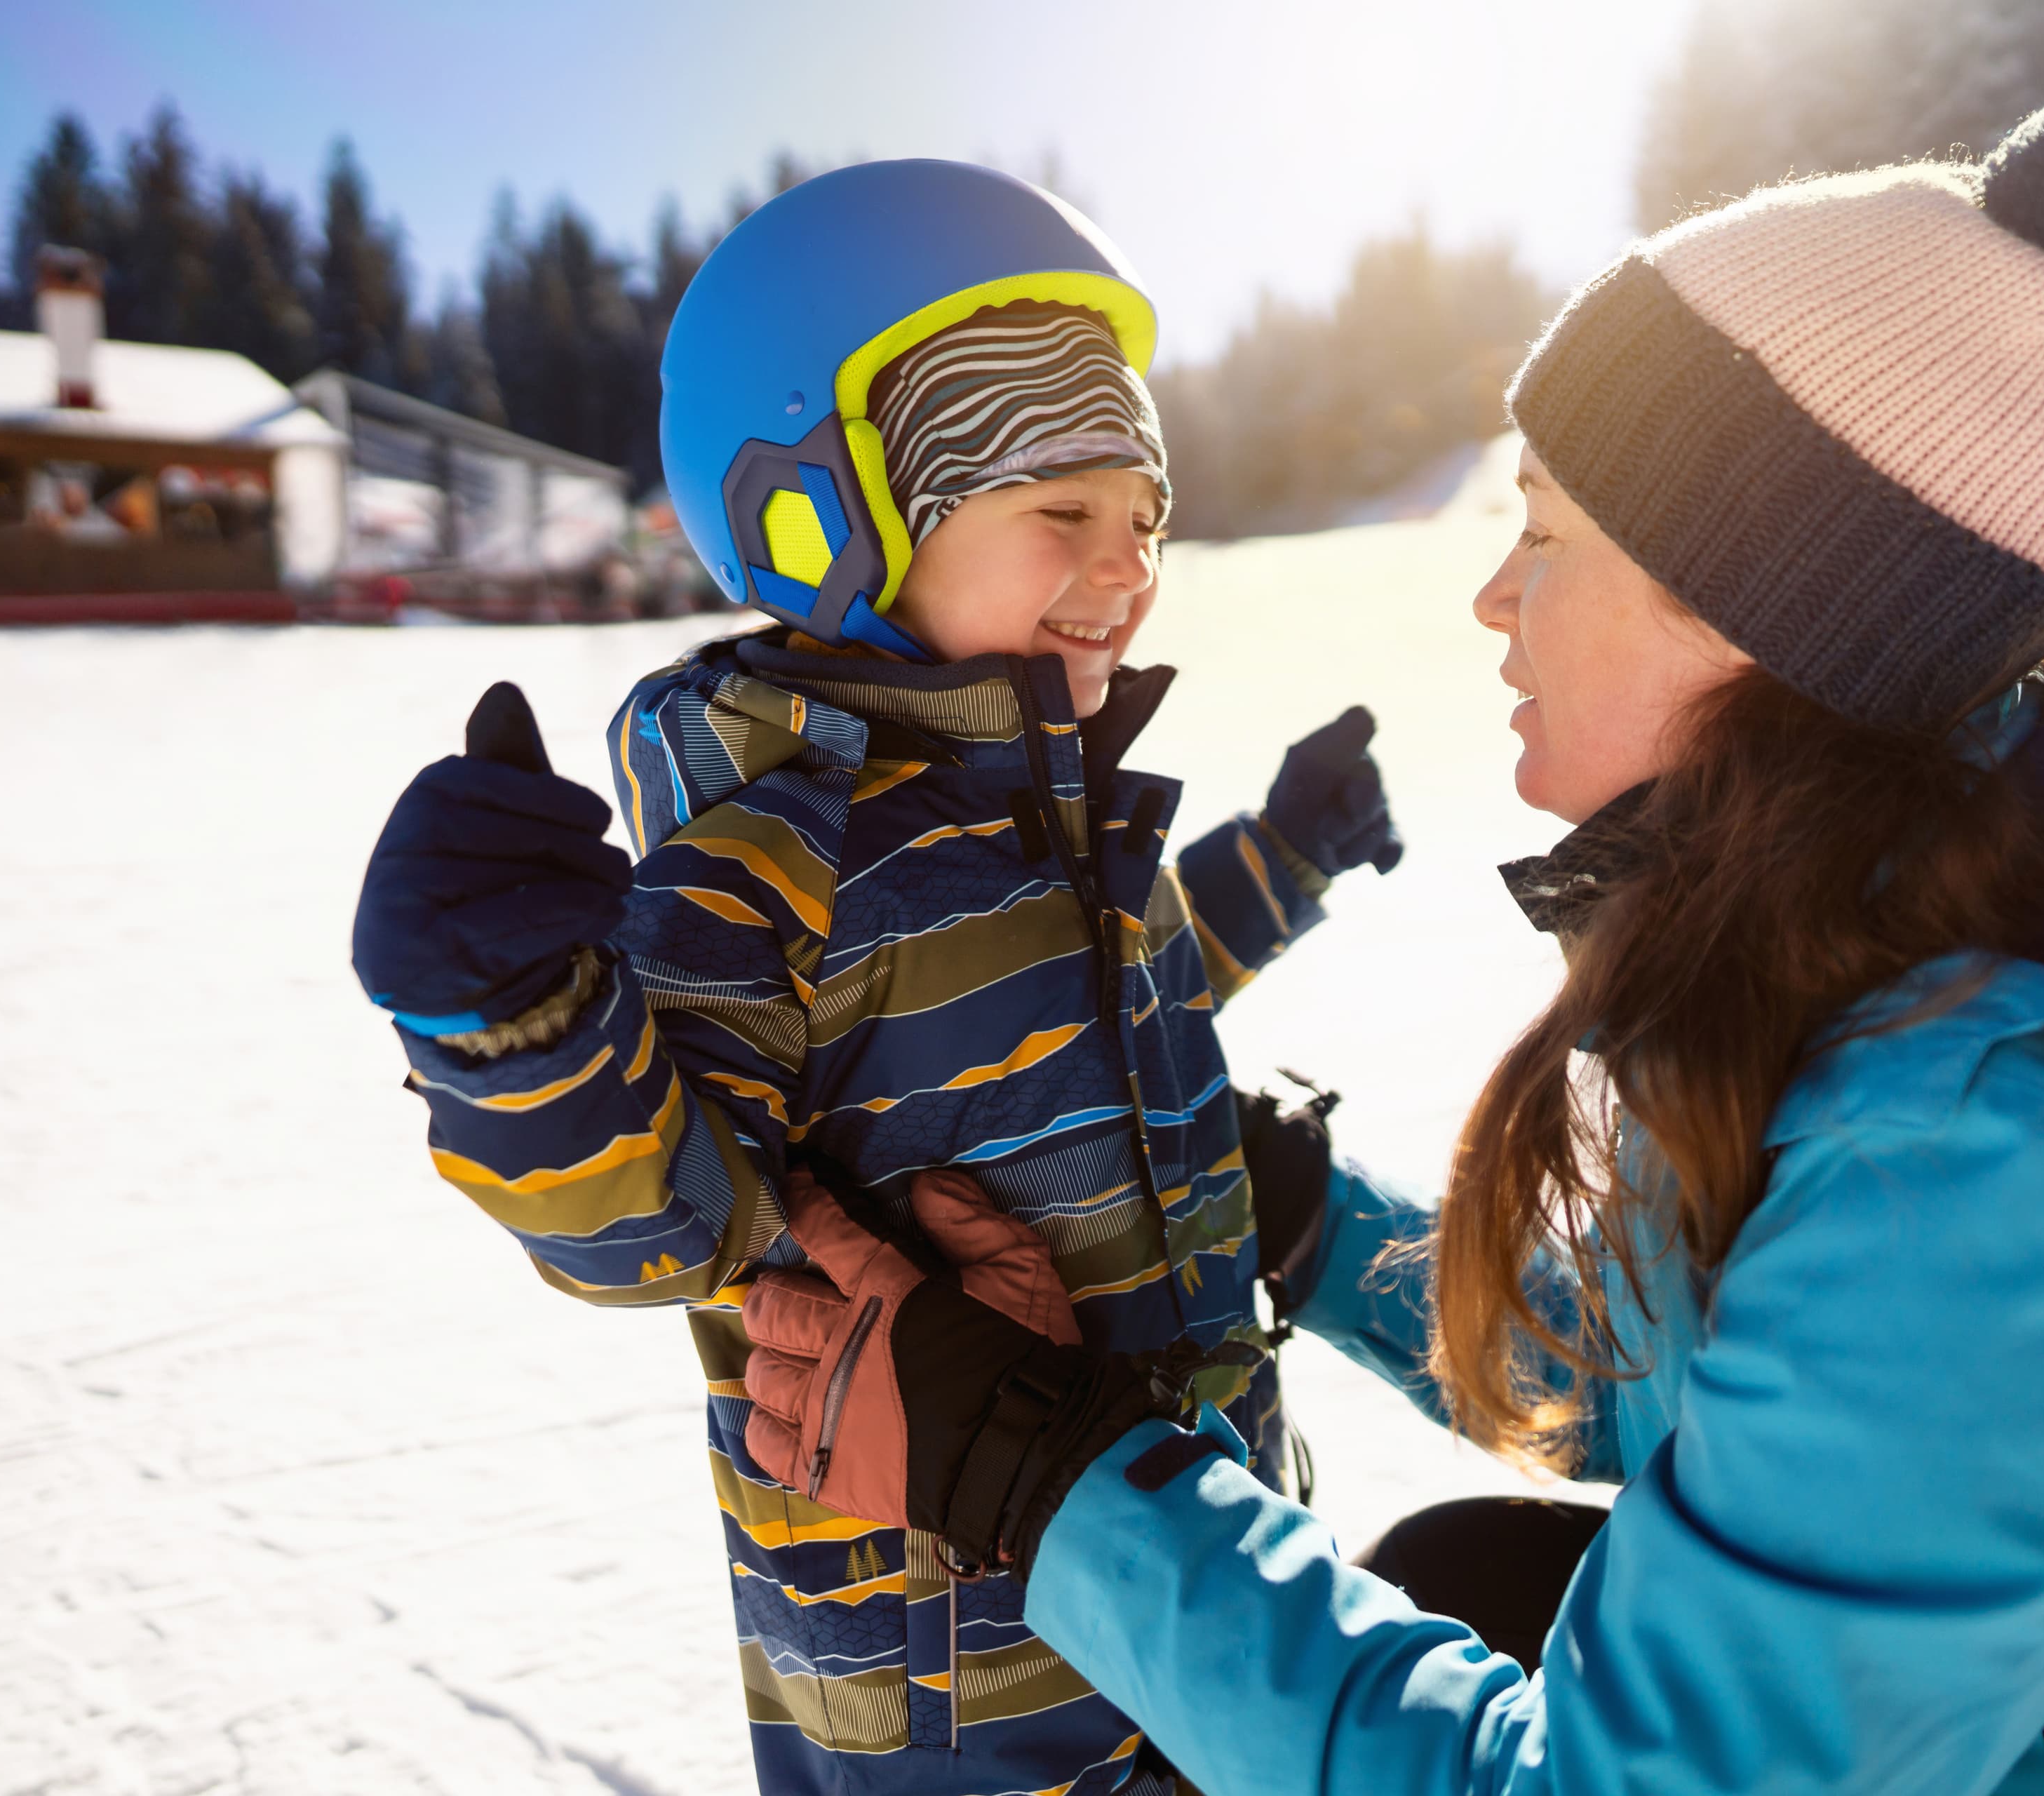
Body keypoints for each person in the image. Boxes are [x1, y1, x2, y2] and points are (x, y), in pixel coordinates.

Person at [725, 69, 2044, 1793]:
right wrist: (1293, 1203)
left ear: (1758, 613)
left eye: (1546, 531)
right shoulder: (1920, 937)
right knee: (1466, 1579)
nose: (1492, 595)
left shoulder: (2021, 1157)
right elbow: (1700, 1385)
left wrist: (1034, 1471)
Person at [349, 162, 1401, 1796]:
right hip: (977, 1696)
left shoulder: (1052, 814)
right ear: (831, 512)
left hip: (1201, 1592)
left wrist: (1289, 854)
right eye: (1061, 512)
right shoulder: (778, 862)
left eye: (1145, 518)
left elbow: (1136, 984)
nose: (1126, 566)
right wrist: (513, 1026)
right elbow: (652, 1213)